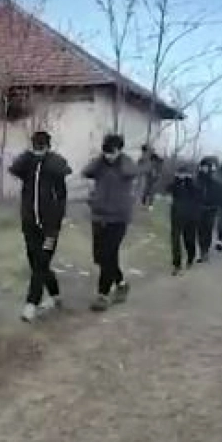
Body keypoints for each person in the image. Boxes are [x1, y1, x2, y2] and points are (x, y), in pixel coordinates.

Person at [8, 130, 71, 322]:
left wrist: (56, 223)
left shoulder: (55, 165)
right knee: (36, 262)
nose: (38, 151)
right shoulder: (27, 163)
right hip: (29, 223)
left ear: (48, 147)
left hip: (49, 226)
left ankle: (31, 303)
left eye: (41, 147)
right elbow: (14, 168)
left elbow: (61, 197)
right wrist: (29, 155)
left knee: (41, 263)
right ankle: (55, 295)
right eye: (35, 147)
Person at [83, 133, 139, 312]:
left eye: (112, 152)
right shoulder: (100, 164)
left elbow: (131, 171)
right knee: (101, 257)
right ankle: (121, 283)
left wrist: (119, 159)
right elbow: (86, 171)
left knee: (108, 254)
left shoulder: (126, 164)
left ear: (120, 150)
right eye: (105, 152)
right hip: (99, 216)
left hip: (118, 218)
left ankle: (103, 295)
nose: (108, 156)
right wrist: (101, 159)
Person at [165, 163, 201, 275]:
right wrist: (176, 181)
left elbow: (198, 194)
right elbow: (168, 190)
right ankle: (177, 264)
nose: (182, 176)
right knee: (175, 240)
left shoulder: (193, 185)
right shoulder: (174, 185)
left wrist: (189, 181)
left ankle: (190, 257)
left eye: (184, 174)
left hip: (191, 217)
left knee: (189, 239)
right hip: (177, 216)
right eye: (180, 174)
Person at [194, 156, 220, 263]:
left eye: (206, 167)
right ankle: (201, 251)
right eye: (203, 166)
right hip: (199, 208)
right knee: (200, 230)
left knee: (208, 229)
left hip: (211, 209)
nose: (204, 169)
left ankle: (206, 250)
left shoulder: (214, 181)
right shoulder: (197, 180)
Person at [137, 144, 163, 209]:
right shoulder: (144, 157)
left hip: (154, 176)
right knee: (146, 189)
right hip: (148, 175)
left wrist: (158, 173)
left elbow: (160, 162)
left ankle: (150, 204)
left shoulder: (155, 157)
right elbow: (140, 162)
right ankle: (144, 202)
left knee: (151, 190)